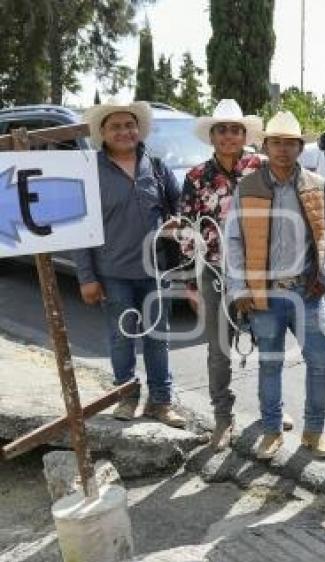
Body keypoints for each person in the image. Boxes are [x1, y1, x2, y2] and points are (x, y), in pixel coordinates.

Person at [224, 110, 325, 460]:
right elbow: (234, 241)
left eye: (290, 143)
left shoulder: (316, 185)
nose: (283, 150)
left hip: (307, 292)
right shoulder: (249, 186)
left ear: (300, 147)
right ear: (266, 146)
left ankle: (314, 432)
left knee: (321, 360)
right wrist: (240, 288)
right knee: (270, 362)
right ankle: (272, 430)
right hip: (265, 293)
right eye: (276, 143)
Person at [72, 97, 185, 428]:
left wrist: (175, 222)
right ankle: (126, 397)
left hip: (155, 271)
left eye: (130, 125)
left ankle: (161, 402)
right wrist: (86, 277)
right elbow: (81, 228)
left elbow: (178, 206)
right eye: (116, 126)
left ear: (139, 129)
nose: (124, 131)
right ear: (102, 132)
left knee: (157, 338)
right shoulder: (89, 172)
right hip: (113, 273)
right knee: (122, 338)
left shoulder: (158, 166)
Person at [180, 99, 284, 451]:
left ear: (245, 135)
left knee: (268, 342)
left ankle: (272, 412)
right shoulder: (196, 178)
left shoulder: (263, 167)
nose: (229, 136)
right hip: (214, 270)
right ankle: (223, 417)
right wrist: (192, 281)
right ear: (212, 136)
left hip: (259, 270)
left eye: (235, 130)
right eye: (222, 130)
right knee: (218, 345)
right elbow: (186, 229)